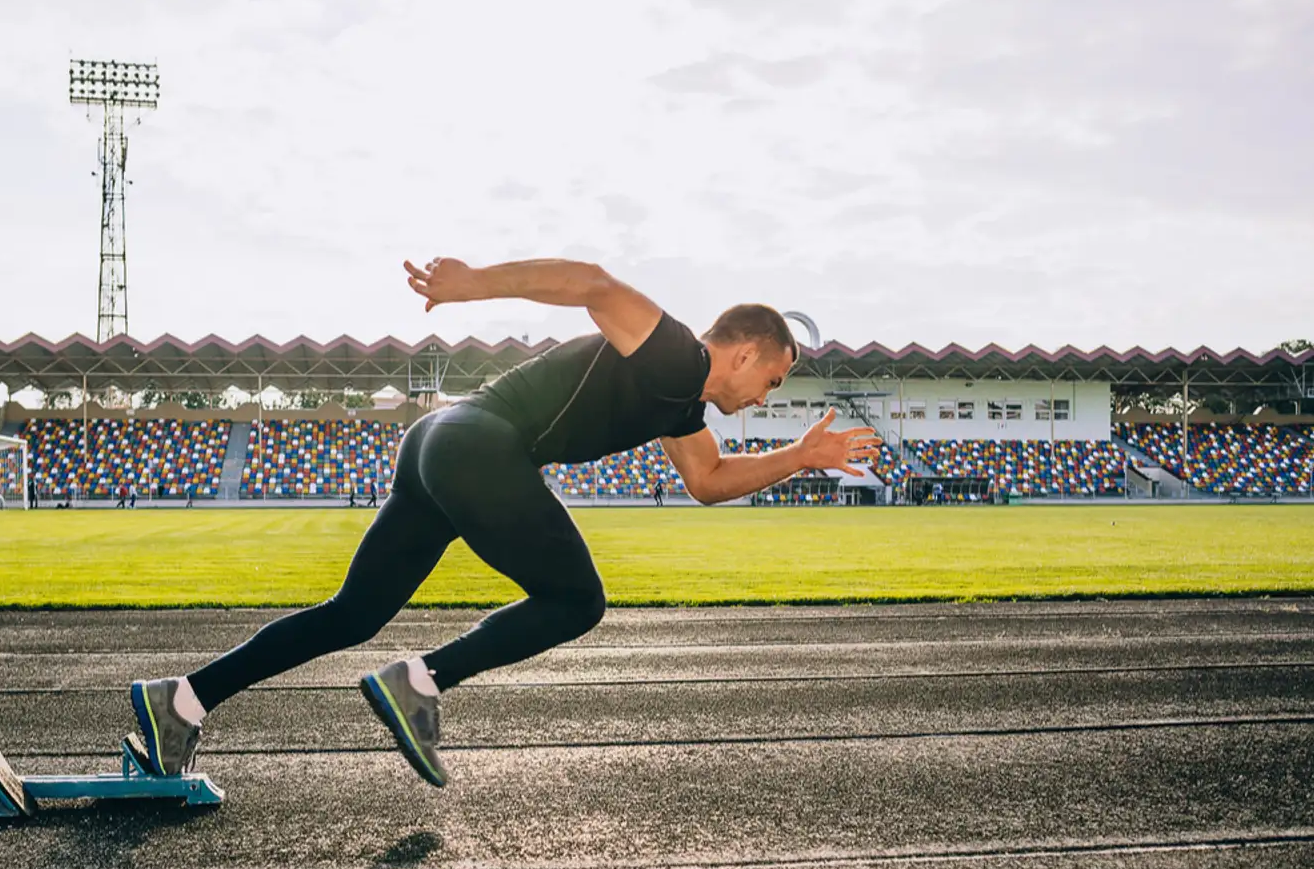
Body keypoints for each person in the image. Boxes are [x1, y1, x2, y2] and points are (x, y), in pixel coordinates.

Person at [128, 256, 880, 787]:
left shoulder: (679, 398)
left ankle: (182, 700)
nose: (766, 396)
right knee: (577, 600)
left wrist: (799, 458)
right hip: (478, 445)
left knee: (353, 614)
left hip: (439, 441)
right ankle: (419, 683)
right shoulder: (679, 353)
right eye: (772, 380)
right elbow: (592, 283)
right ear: (745, 351)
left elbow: (709, 482)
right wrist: (469, 286)